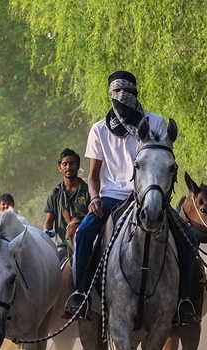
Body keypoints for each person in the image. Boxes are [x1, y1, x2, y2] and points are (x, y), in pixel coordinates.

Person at [67, 70, 199, 324]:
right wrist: (94, 198)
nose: (123, 97)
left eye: (128, 92)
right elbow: (94, 175)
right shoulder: (98, 130)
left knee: (188, 236)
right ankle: (80, 294)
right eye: (117, 92)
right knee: (83, 234)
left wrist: (159, 193)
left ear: (135, 93)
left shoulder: (155, 122)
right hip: (112, 197)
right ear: (111, 95)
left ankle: (184, 300)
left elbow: (164, 162)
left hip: (150, 196)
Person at [42, 148, 90, 254]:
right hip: (63, 245)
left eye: (72, 163)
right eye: (65, 164)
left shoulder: (88, 191)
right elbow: (48, 222)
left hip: (84, 243)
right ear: (60, 168)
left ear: (77, 166)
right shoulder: (55, 193)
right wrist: (46, 233)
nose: (68, 167)